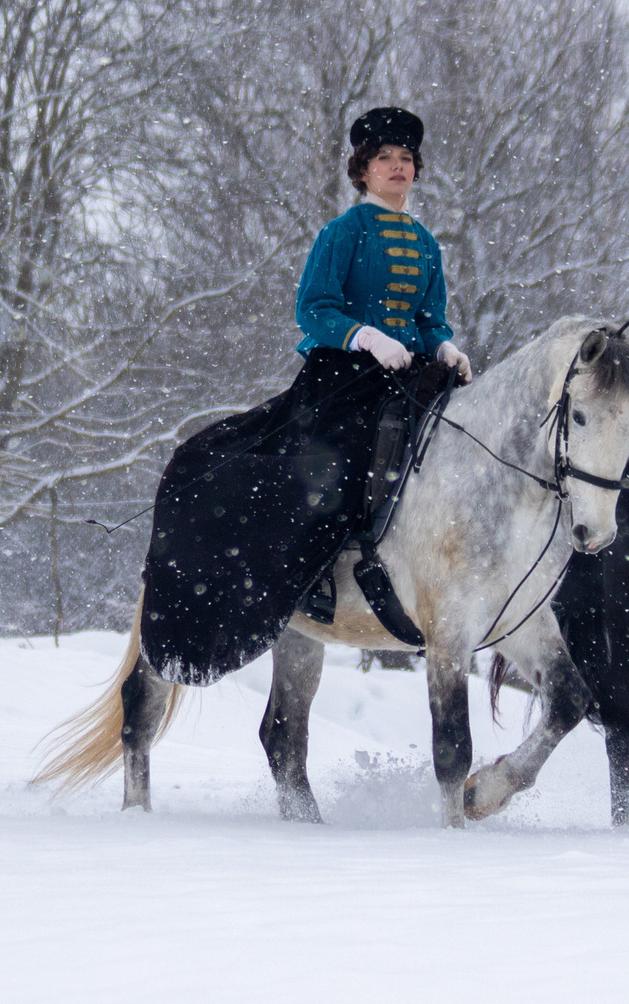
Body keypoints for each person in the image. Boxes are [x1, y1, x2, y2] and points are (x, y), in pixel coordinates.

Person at [137, 106, 474, 682]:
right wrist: (363, 335)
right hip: (345, 379)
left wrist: (444, 347)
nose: (398, 168)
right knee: (333, 472)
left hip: (413, 378)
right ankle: (314, 577)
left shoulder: (425, 242)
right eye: (385, 159)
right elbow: (313, 309)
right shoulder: (342, 233)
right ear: (362, 172)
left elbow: (430, 316)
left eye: (407, 160)